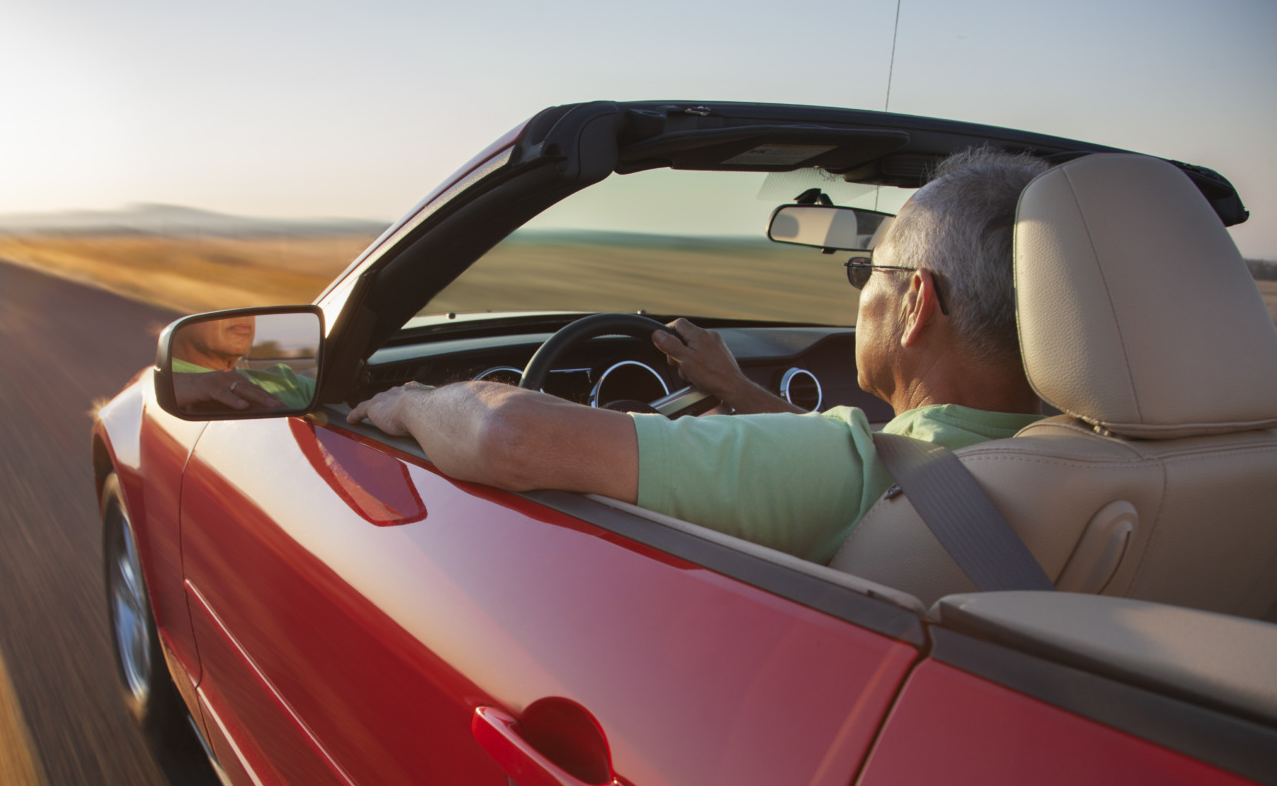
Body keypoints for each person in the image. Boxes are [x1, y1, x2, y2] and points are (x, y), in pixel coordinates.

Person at [346, 149, 1053, 563]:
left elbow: (512, 436)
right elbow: (878, 450)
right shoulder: (1086, 457)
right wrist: (736, 389)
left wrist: (405, 400)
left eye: (870, 270)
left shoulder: (844, 476)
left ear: (915, 305)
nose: (861, 288)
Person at [173, 314, 315, 412]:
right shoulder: (164, 384)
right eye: (222, 301)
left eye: (249, 305)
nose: (245, 316)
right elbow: (152, 388)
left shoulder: (288, 379)